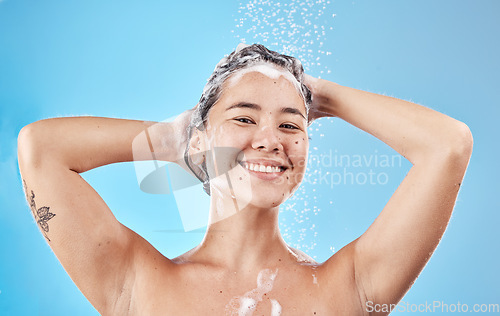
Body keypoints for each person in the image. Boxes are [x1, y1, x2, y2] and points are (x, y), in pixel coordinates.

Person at [18, 43, 472, 315]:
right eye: (243, 118)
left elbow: (447, 146)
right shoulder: (136, 283)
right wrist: (180, 141)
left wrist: (321, 96)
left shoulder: (350, 287)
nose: (270, 140)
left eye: (291, 125)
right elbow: (42, 150)